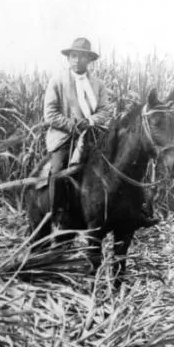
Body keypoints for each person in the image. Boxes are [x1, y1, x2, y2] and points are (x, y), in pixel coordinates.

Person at [43, 37, 114, 226]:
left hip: (93, 133)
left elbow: (105, 110)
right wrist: (72, 125)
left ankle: (125, 212)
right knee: (58, 171)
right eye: (73, 56)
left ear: (88, 60)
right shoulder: (57, 81)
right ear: (68, 58)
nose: (77, 60)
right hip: (65, 136)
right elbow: (49, 114)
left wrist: (90, 121)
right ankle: (56, 214)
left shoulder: (98, 84)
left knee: (118, 160)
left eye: (82, 57)